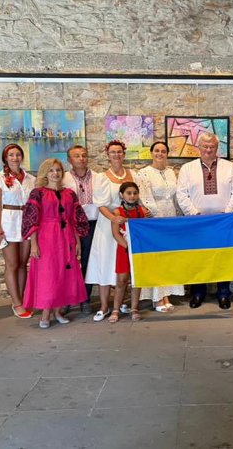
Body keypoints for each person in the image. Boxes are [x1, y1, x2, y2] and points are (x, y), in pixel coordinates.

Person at [176, 132, 233, 309]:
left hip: (224, 221)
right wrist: (193, 214)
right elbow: (181, 194)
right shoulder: (187, 169)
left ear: (217, 148)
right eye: (205, 146)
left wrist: (227, 213)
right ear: (198, 147)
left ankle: (223, 294)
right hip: (197, 222)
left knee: (223, 257)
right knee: (198, 257)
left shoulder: (230, 167)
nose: (208, 150)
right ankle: (198, 293)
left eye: (212, 146)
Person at [21, 159, 89, 329]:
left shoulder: (70, 194)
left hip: (66, 238)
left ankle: (58, 312)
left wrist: (77, 242)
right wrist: (33, 244)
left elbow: (75, 219)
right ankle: (45, 314)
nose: (55, 173)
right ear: (45, 173)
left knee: (63, 274)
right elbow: (32, 220)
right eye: (51, 170)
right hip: (46, 238)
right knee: (48, 275)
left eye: (58, 170)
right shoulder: (37, 193)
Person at [85, 140, 143, 321]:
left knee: (126, 266)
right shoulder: (102, 177)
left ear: (124, 154)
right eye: (113, 152)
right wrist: (113, 218)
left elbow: (136, 197)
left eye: (119, 152)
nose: (116, 155)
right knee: (106, 263)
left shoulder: (132, 174)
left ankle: (123, 302)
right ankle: (104, 306)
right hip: (109, 223)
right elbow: (100, 204)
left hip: (129, 223)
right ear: (108, 155)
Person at [137, 141, 184, 312]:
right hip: (155, 221)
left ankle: (167, 295)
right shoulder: (143, 173)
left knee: (168, 258)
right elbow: (145, 198)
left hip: (171, 219)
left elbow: (176, 197)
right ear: (151, 153)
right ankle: (157, 298)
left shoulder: (171, 172)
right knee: (156, 258)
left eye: (163, 151)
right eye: (156, 150)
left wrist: (179, 218)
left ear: (167, 154)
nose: (160, 154)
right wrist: (157, 219)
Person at [0, 143, 36, 319]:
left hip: (26, 221)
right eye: (11, 155)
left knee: (23, 263)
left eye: (18, 154)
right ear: (5, 158)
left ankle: (23, 298)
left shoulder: (30, 179)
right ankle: (16, 303)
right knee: (12, 264)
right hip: (8, 221)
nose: (15, 158)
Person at [61, 145, 99, 314]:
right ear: (69, 160)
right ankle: (67, 298)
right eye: (76, 156)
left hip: (92, 223)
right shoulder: (63, 179)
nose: (81, 158)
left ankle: (85, 298)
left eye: (84, 155)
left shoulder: (98, 177)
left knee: (88, 261)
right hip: (70, 225)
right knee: (69, 261)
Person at [110, 182, 146, 322]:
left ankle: (134, 308)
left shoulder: (142, 211)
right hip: (124, 249)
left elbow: (145, 230)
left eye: (135, 193)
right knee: (122, 280)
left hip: (138, 250)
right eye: (128, 193)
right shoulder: (117, 212)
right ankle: (116, 309)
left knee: (136, 280)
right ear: (122, 195)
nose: (132, 196)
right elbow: (115, 234)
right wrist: (127, 246)